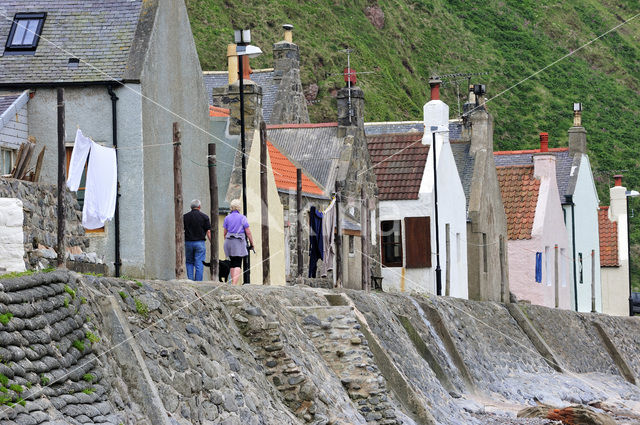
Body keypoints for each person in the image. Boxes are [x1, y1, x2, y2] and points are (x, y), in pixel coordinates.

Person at [223, 199, 255, 285]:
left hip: (228, 242)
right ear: (239, 207)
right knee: (237, 263)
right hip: (238, 242)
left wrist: (226, 242)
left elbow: (225, 233)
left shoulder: (227, 218)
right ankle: (234, 284)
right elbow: (248, 232)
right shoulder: (242, 218)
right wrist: (252, 243)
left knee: (232, 263)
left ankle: (233, 282)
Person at [183, 199, 211, 281]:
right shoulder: (205, 217)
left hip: (188, 242)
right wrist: (212, 243)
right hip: (200, 243)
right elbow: (208, 231)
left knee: (189, 262)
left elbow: (181, 230)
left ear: (191, 207)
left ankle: (190, 280)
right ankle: (198, 281)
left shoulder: (185, 217)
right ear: (199, 206)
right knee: (199, 262)